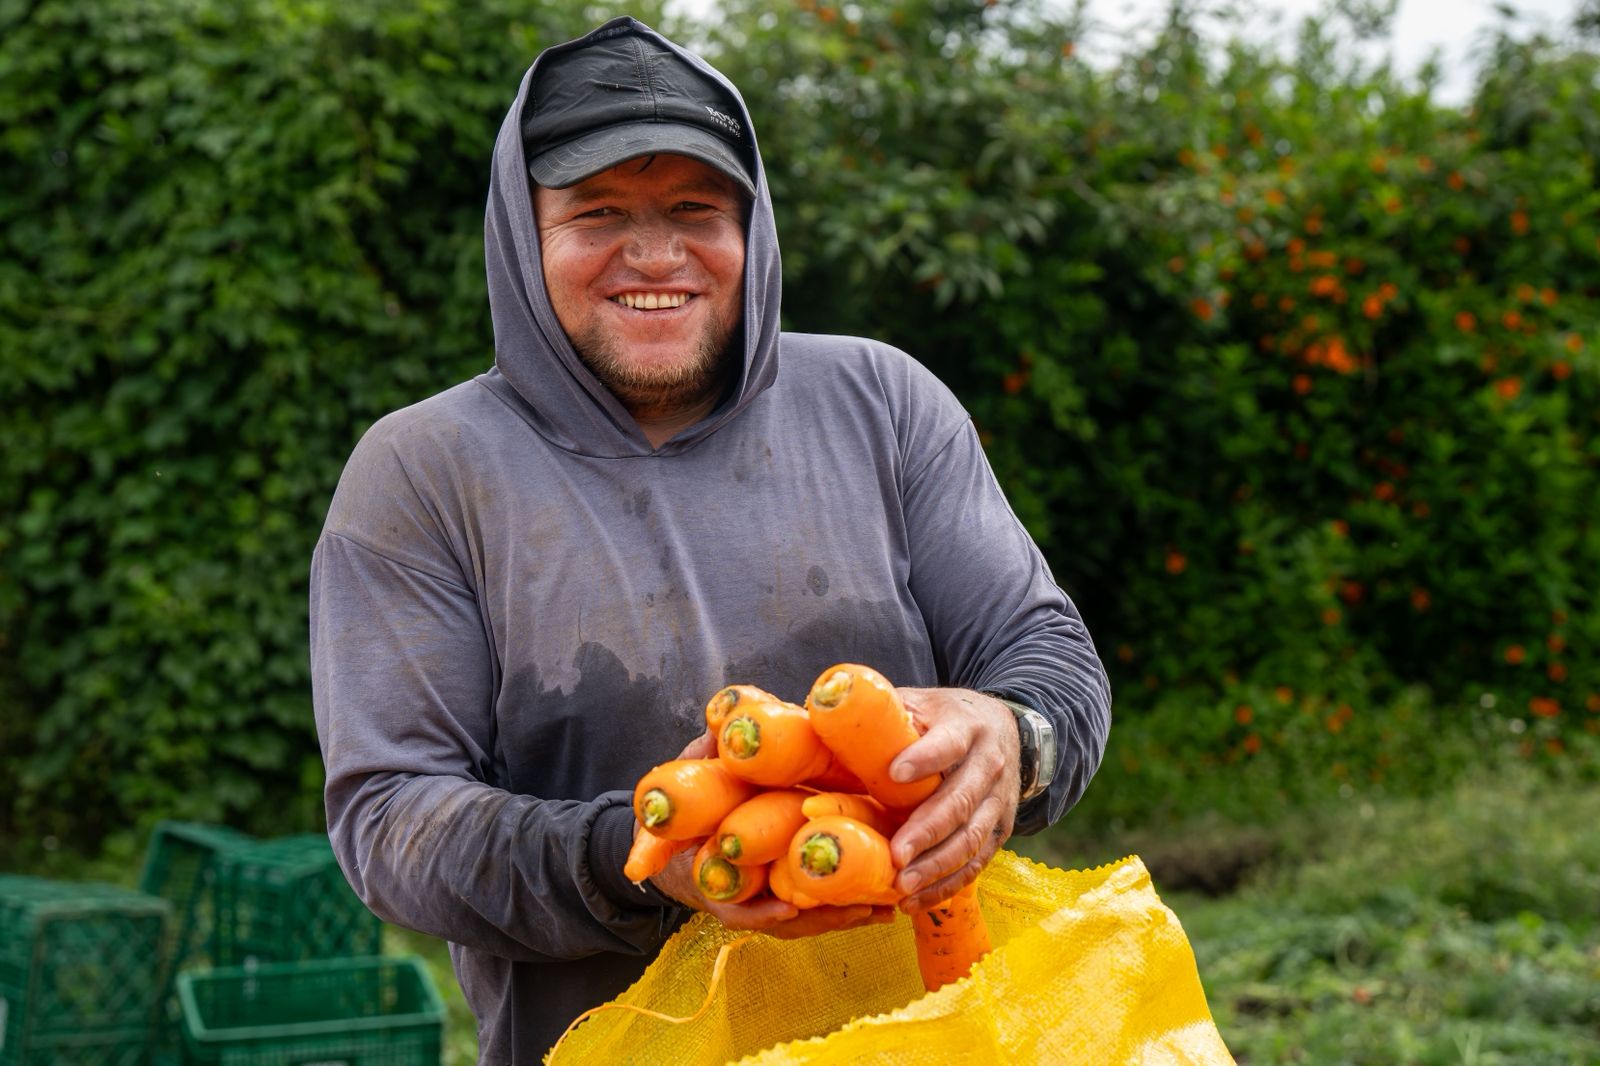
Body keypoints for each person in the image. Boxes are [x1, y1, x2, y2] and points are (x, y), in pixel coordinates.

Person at [310, 16, 1111, 1063]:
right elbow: (392, 821)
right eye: (598, 211)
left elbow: (1047, 655)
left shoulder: (883, 402)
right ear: (522, 233)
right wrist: (643, 852)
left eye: (695, 208)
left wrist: (1015, 739)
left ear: (751, 226)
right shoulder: (425, 470)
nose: (655, 253)